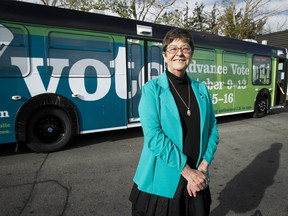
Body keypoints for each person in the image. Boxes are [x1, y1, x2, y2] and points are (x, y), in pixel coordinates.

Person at [129, 28, 219, 216]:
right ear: (164, 55)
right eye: (173, 49)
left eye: (185, 48)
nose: (179, 53)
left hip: (198, 178)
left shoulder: (201, 90)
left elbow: (212, 129)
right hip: (162, 183)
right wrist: (187, 172)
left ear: (191, 54)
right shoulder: (151, 89)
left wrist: (202, 167)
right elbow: (154, 137)